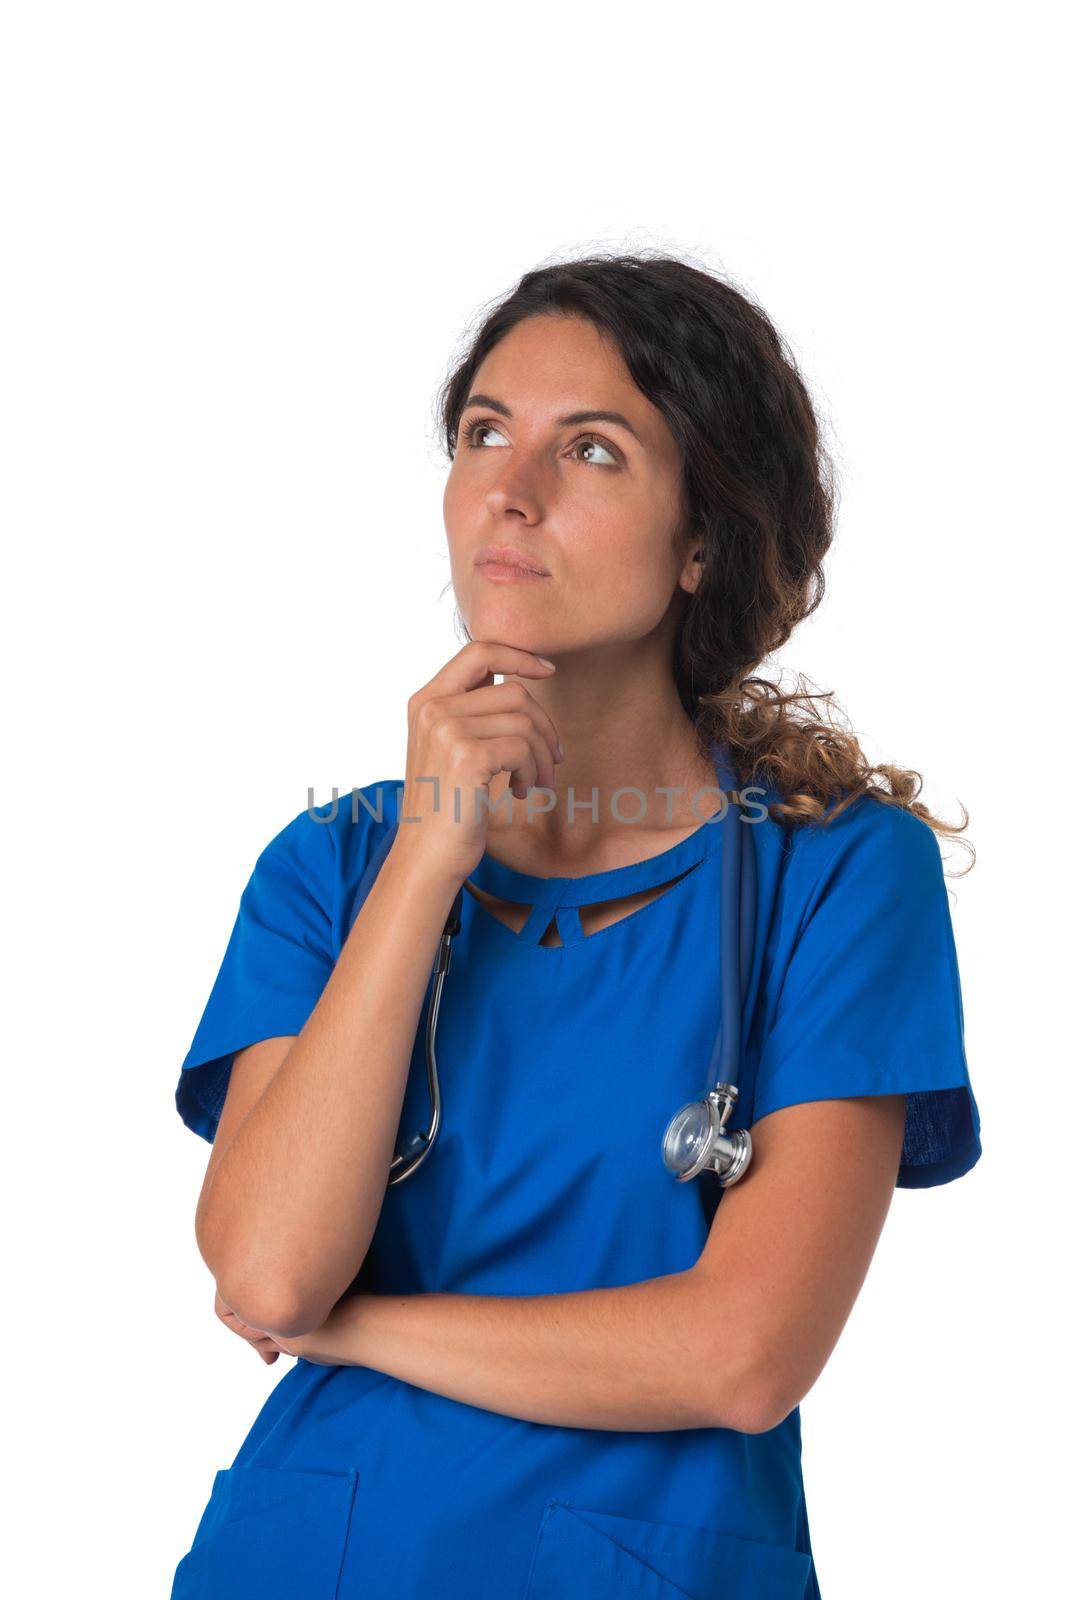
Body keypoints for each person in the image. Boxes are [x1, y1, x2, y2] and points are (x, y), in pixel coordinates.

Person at [169, 254, 982, 1600]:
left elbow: (742, 1357)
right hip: (307, 1556)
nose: (509, 488)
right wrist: (430, 857)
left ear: (703, 542)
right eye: (484, 432)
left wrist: (357, 1326)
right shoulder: (334, 866)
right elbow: (265, 1261)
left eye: (591, 450)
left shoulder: (837, 879)